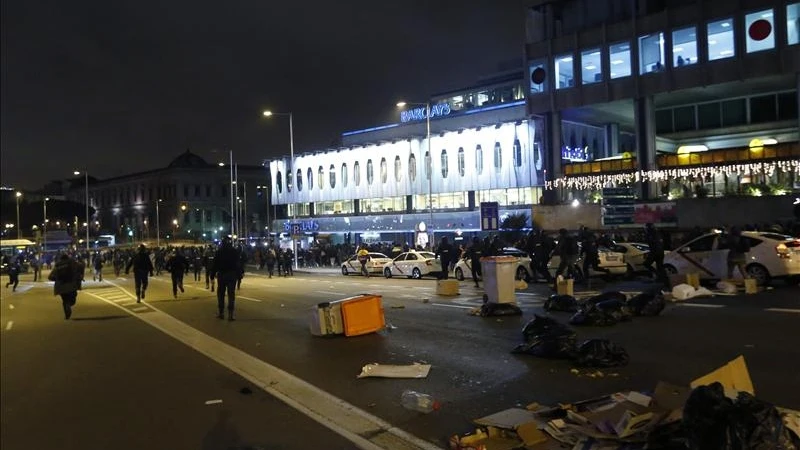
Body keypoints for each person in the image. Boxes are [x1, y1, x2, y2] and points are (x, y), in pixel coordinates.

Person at [212, 237, 241, 321]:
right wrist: (239, 274)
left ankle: (221, 313)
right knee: (231, 294)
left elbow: (215, 264)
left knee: (221, 294)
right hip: (232, 274)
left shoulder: (219, 252)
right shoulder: (234, 252)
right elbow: (237, 263)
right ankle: (230, 315)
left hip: (222, 274)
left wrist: (212, 274)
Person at [49, 254, 83, 320]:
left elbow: (50, 277)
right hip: (71, 284)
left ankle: (67, 314)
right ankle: (69, 304)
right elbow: (80, 267)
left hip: (61, 286)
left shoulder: (58, 265)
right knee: (73, 298)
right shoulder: (72, 263)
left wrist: (57, 279)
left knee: (64, 300)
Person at [643, 223, 668, 287]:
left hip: (655, 252)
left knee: (646, 264)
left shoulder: (650, 234)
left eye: (646, 228)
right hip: (660, 252)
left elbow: (651, 243)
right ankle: (663, 280)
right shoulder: (658, 233)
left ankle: (656, 275)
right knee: (660, 266)